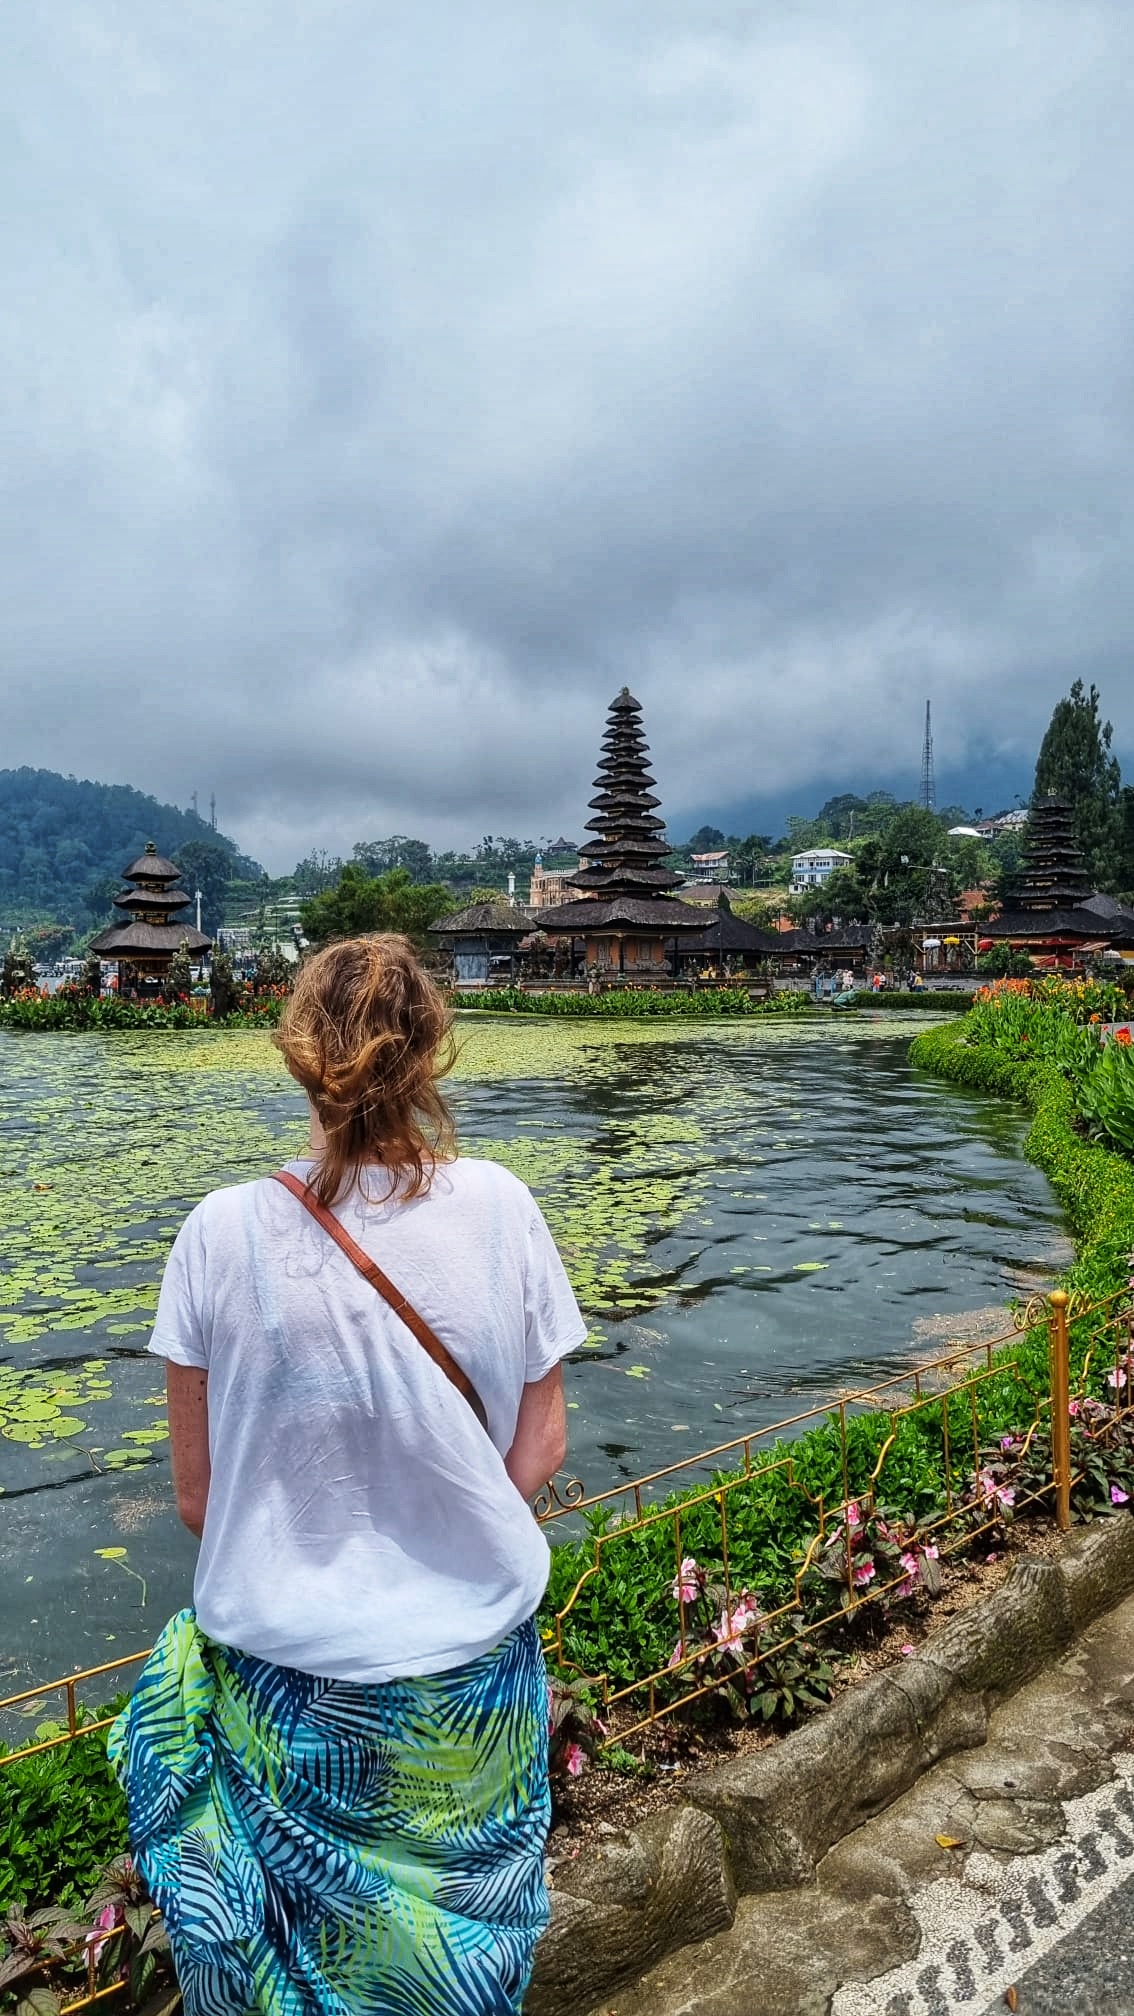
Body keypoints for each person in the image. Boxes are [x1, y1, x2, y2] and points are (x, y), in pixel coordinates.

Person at [110, 935, 586, 2016]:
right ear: (430, 1056)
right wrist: (445, 1528)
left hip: (289, 1705)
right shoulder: (505, 1208)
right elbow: (543, 1446)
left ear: (296, 1056)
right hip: (468, 1702)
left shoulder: (216, 1233)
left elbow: (199, 1499)